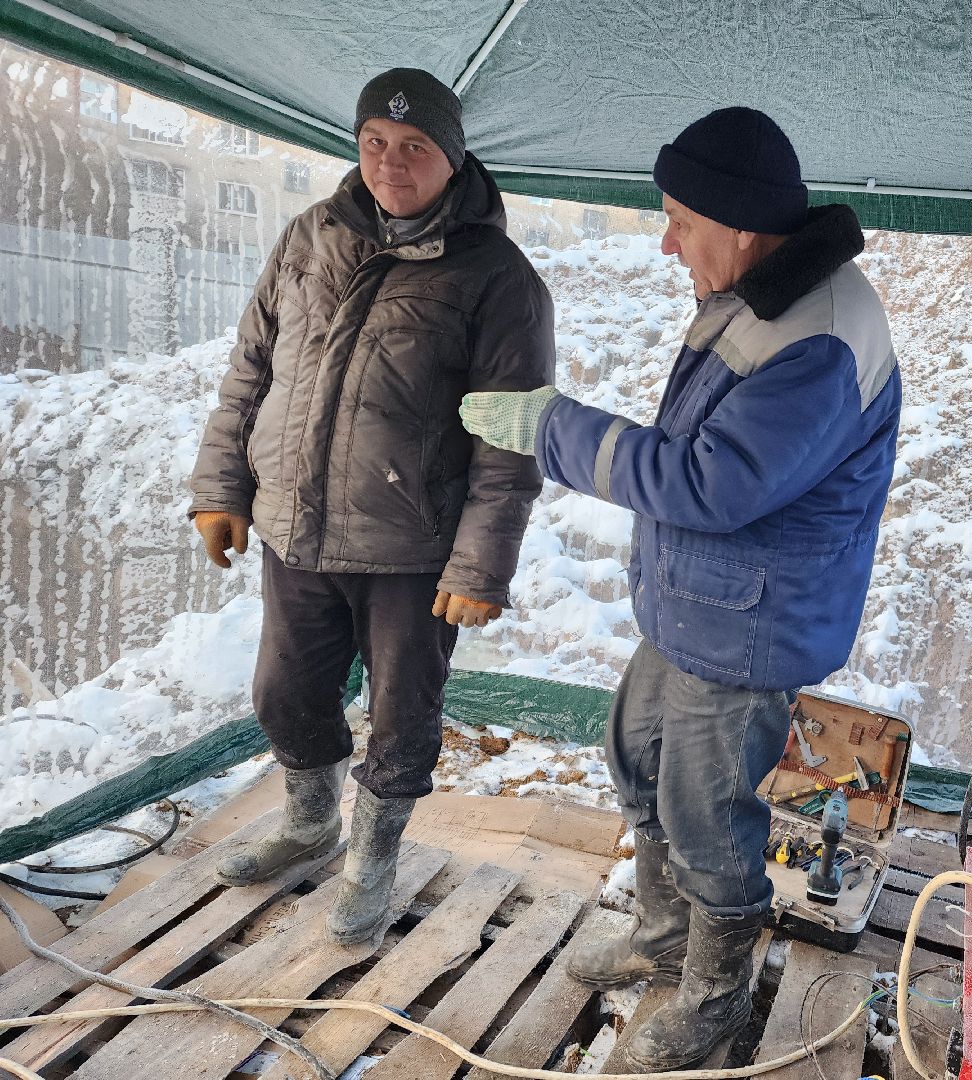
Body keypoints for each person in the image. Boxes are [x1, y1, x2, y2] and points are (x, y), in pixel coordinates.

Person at [460, 106, 900, 1069]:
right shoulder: (769, 288)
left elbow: (710, 481)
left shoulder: (816, 339)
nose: (668, 243)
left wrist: (551, 429)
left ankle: (712, 992)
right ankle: (664, 937)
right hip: (702, 604)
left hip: (750, 623)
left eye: (680, 221)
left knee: (709, 811)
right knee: (640, 757)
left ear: (741, 224)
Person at [188, 68, 554, 944]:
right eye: (374, 143)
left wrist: (480, 566)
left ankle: (373, 857)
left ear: (452, 159)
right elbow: (251, 370)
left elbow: (511, 436)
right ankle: (311, 824)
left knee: (401, 716)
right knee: (284, 693)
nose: (391, 163)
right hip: (296, 527)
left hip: (412, 547)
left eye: (415, 147)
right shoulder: (311, 235)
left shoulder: (499, 279)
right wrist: (222, 488)